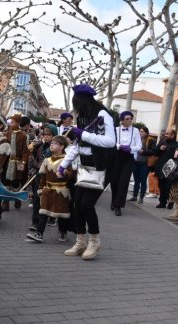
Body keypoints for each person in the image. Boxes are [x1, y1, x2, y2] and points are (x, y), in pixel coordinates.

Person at [60, 84, 116, 260]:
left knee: (86, 205)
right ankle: (80, 241)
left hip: (101, 167)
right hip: (84, 167)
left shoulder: (103, 115)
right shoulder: (84, 118)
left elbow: (109, 141)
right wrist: (64, 163)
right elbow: (77, 145)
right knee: (77, 205)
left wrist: (83, 134)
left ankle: (94, 241)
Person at [26, 135, 72, 243]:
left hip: (61, 192)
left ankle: (63, 232)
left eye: (55, 143)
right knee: (43, 213)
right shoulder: (47, 160)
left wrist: (65, 172)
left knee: (61, 214)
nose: (52, 145)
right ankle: (39, 234)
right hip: (47, 191)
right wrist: (41, 189)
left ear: (62, 147)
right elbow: (43, 177)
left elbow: (71, 175)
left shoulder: (66, 160)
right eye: (51, 143)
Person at [110, 111, 142, 216]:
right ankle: (114, 200)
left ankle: (118, 206)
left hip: (129, 157)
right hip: (116, 156)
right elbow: (111, 143)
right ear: (122, 119)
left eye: (131, 118)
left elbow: (139, 146)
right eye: (127, 118)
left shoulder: (136, 131)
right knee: (114, 181)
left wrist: (131, 148)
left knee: (124, 182)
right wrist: (119, 146)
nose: (129, 120)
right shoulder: (115, 129)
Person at [27, 123, 56, 231]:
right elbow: (33, 159)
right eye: (44, 134)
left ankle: (52, 217)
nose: (46, 136)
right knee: (36, 198)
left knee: (50, 198)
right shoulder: (39, 146)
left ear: (53, 135)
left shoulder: (57, 148)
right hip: (39, 176)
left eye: (48, 134)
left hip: (51, 177)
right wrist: (37, 164)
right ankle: (35, 222)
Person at [1, 113, 29, 210]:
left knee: (16, 183)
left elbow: (25, 151)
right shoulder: (7, 134)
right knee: (6, 183)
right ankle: (5, 202)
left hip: (18, 162)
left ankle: (17, 199)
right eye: (10, 122)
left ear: (18, 123)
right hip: (8, 162)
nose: (10, 124)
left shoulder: (23, 136)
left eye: (12, 122)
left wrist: (23, 163)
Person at [153, 128, 178, 208]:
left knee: (168, 186)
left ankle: (169, 201)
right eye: (166, 134)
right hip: (161, 166)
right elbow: (155, 152)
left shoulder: (177, 145)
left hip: (170, 167)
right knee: (161, 185)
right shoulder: (162, 141)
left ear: (173, 135)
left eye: (168, 134)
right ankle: (162, 202)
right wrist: (160, 149)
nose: (166, 135)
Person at [129, 125, 155, 204]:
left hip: (145, 163)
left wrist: (143, 152)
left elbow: (153, 151)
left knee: (143, 180)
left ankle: (141, 198)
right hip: (136, 162)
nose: (140, 133)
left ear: (146, 133)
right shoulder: (136, 139)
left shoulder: (150, 140)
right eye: (139, 131)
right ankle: (134, 196)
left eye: (142, 131)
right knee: (136, 180)